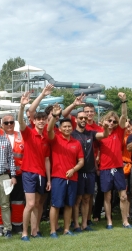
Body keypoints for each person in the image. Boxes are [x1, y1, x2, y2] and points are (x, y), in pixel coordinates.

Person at [18, 89, 52, 241]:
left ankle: (35, 231)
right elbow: (20, 122)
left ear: (46, 121)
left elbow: (46, 160)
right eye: (38, 119)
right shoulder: (29, 133)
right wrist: (21, 107)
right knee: (30, 204)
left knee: (38, 203)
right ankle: (24, 232)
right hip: (28, 173)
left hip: (41, 174)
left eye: (43, 119)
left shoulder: (46, 137)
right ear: (34, 121)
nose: (41, 121)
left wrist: (49, 179)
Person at [47, 105, 84, 237]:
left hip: (72, 178)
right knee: (56, 205)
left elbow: (81, 161)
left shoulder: (77, 143)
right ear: (60, 128)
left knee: (69, 204)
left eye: (69, 127)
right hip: (58, 177)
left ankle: (67, 229)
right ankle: (52, 230)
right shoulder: (55, 138)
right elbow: (49, 129)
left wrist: (73, 170)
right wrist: (54, 116)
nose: (67, 128)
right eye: (65, 127)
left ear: (72, 128)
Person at [98, 93, 132, 229]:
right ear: (105, 120)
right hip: (105, 168)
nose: (112, 123)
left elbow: (124, 116)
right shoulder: (100, 133)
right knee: (107, 197)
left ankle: (125, 221)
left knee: (123, 196)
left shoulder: (119, 131)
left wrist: (124, 101)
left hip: (118, 168)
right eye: (109, 120)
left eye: (114, 121)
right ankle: (109, 221)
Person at [1, 113, 25, 233]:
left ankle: (17, 225)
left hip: (19, 174)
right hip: (3, 174)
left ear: (14, 124)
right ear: (2, 125)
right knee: (1, 202)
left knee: (17, 201)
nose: (9, 125)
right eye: (6, 123)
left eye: (11, 122)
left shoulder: (21, 136)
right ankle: (0, 227)